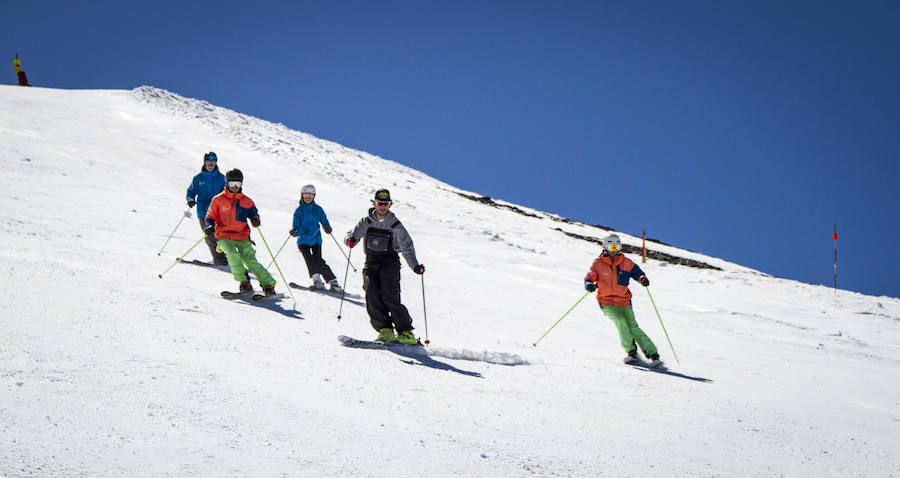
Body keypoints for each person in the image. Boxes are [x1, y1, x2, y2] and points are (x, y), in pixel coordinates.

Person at [345, 189, 424, 344]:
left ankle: (406, 332)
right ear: (374, 204)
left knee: (390, 296)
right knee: (371, 292)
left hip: (390, 263)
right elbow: (352, 234)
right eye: (380, 203)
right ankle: (385, 330)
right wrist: (350, 240)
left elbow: (407, 246)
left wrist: (415, 266)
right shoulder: (366, 222)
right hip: (371, 262)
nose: (382, 207)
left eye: (385, 204)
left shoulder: (395, 224)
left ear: (389, 205)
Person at [584, 234, 661, 366]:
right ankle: (631, 352)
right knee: (620, 321)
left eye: (616, 246)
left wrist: (642, 278)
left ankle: (653, 354)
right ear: (605, 247)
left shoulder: (626, 262)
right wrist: (589, 285)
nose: (613, 250)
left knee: (633, 327)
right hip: (606, 301)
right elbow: (589, 277)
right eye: (611, 246)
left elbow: (637, 272)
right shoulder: (598, 263)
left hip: (624, 300)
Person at [205, 169, 277, 295]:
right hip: (224, 236)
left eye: (237, 184)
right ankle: (244, 282)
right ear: (226, 183)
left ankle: (268, 284)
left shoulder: (246, 201)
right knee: (232, 254)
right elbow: (210, 215)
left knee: (250, 260)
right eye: (232, 184)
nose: (234, 187)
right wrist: (209, 225)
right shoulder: (218, 200)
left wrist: (255, 219)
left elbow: (254, 213)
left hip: (242, 236)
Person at [289, 184, 342, 292]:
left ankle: (333, 282)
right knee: (309, 259)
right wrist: (295, 232)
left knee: (318, 260)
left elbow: (323, 219)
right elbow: (296, 226)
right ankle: (317, 280)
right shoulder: (299, 211)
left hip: (316, 239)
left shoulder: (318, 209)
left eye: (310, 195)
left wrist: (326, 226)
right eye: (305, 195)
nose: (308, 197)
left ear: (314, 196)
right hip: (303, 240)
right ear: (302, 196)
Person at [186, 152, 227, 265]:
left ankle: (229, 258)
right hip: (203, 212)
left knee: (221, 235)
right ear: (204, 163)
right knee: (209, 235)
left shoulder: (221, 178)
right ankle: (219, 259)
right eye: (208, 163)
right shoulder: (198, 178)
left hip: (218, 212)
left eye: (212, 163)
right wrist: (190, 199)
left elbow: (226, 193)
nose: (210, 165)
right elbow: (191, 191)